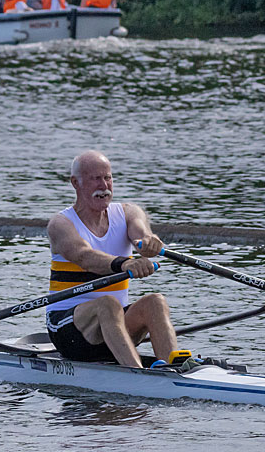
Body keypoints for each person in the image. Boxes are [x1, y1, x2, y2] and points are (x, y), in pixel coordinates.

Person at [46, 151, 180, 369]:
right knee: (108, 305)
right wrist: (125, 264)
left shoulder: (128, 213)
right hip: (69, 331)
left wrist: (147, 241)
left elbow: (140, 233)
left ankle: (174, 367)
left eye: (107, 177)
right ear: (75, 183)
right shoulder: (61, 225)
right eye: (95, 178)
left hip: (114, 328)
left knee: (155, 302)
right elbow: (85, 256)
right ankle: (136, 374)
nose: (104, 185)